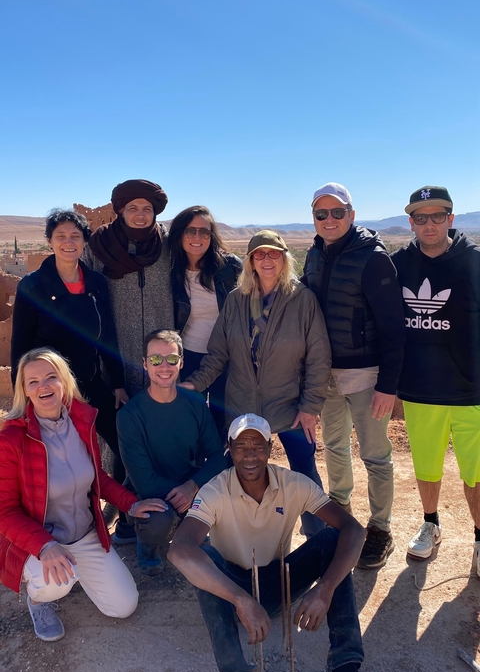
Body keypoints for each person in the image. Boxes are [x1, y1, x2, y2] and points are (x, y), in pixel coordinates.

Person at [168, 413, 407, 672]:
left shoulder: (293, 484)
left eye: (257, 446)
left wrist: (324, 589)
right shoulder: (215, 490)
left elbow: (352, 529)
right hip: (233, 586)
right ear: (230, 450)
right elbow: (179, 549)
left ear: (270, 447)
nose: (250, 455)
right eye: (241, 447)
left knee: (329, 541)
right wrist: (240, 599)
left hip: (280, 578)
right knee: (204, 558)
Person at [0, 348, 166, 642]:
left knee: (124, 606)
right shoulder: (12, 439)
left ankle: (74, 571)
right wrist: (45, 546)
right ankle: (39, 599)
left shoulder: (80, 422)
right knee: (56, 584)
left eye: (51, 377)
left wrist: (132, 503)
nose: (44, 387)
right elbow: (5, 511)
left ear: (64, 382)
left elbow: (96, 479)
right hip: (41, 539)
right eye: (33, 381)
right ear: (24, 390)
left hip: (85, 535)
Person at [181, 229, 331, 538]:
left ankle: (321, 537)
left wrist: (310, 407)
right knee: (233, 470)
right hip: (241, 405)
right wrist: (195, 384)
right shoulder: (236, 301)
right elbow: (218, 354)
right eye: (259, 254)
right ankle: (232, 533)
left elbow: (319, 358)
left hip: (289, 405)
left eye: (273, 253)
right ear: (250, 261)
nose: (266, 260)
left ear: (284, 258)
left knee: (304, 470)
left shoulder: (303, 300)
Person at [302, 183, 405, 569]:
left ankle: (380, 529)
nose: (329, 220)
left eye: (337, 213)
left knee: (376, 456)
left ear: (352, 214)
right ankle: (342, 518)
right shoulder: (313, 255)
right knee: (335, 449)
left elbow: (395, 328)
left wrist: (388, 386)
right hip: (325, 374)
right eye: (321, 214)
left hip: (366, 375)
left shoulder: (373, 258)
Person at [391, 186, 480, 576]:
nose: (429, 224)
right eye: (420, 217)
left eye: (437, 215)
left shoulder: (475, 261)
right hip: (420, 389)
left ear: (451, 218)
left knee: (476, 474)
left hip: (471, 390)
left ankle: (479, 538)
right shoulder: (397, 265)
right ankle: (431, 523)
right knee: (426, 467)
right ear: (410, 222)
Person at [10, 209, 127, 491]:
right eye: (60, 236)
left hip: (89, 381)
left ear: (85, 242)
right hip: (52, 390)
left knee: (123, 443)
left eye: (75, 236)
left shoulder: (96, 283)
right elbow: (20, 345)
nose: (68, 242)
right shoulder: (33, 286)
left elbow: (107, 335)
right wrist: (23, 396)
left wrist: (119, 384)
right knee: (65, 457)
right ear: (49, 241)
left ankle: (123, 507)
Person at [116, 330, 227, 575]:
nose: (164, 366)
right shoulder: (129, 415)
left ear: (182, 362)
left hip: (188, 483)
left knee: (220, 493)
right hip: (151, 492)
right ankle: (148, 546)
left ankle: (188, 528)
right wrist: (184, 497)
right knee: (160, 516)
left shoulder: (195, 402)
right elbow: (143, 480)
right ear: (145, 364)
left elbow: (218, 455)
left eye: (171, 359)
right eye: (156, 359)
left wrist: (193, 486)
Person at [83, 179, 174, 398]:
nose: (140, 215)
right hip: (114, 348)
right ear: (121, 209)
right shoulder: (99, 245)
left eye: (147, 209)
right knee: (115, 418)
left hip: (162, 351)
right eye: (133, 208)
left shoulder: (168, 245)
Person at [169, 205, 242, 439]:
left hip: (226, 357)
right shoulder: (171, 270)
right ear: (180, 234)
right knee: (192, 419)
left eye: (204, 232)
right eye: (191, 231)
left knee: (224, 421)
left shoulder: (230, 267)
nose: (198, 237)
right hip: (189, 355)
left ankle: (224, 472)